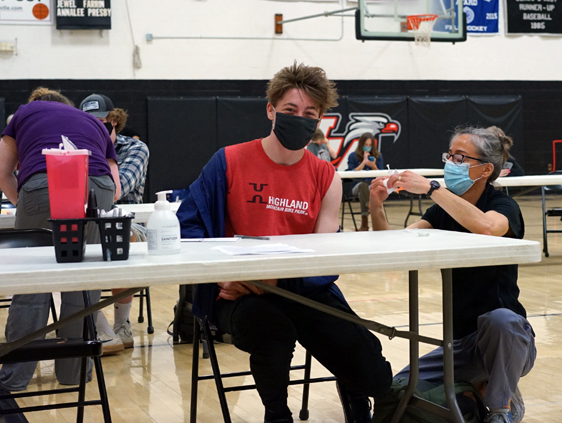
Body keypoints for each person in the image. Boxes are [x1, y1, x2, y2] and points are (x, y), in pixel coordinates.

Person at [176, 63, 392, 423]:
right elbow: (188, 228)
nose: (300, 119)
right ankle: (277, 415)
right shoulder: (228, 161)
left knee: (374, 373)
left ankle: (355, 391)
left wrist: (278, 278)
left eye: (310, 113)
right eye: (291, 111)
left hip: (301, 290)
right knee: (271, 330)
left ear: (321, 118)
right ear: (271, 110)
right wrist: (221, 276)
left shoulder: (326, 177)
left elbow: (324, 257)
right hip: (237, 293)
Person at [369, 127, 536, 423]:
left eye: (460, 157)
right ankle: (475, 392)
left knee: (502, 319)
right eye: (450, 156)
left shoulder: (503, 206)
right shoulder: (440, 212)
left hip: (506, 341)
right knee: (395, 391)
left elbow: (486, 227)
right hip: (460, 346)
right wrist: (376, 206)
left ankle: (502, 408)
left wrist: (432, 188)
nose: (450, 163)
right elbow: (394, 247)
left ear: (485, 169)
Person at [0, 88, 121, 391]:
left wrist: (25, 206)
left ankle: (15, 378)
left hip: (45, 183)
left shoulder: (25, 111)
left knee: (31, 284)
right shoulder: (94, 123)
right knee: (81, 283)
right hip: (97, 188)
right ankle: (73, 374)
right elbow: (114, 189)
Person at [80, 93, 150, 350]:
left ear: (112, 121)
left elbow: (114, 190)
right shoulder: (75, 150)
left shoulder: (134, 148)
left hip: (128, 222)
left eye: (99, 122)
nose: (93, 128)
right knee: (72, 241)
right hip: (87, 224)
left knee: (117, 235)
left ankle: (122, 324)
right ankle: (97, 322)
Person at [346, 133, 384, 231]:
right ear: (361, 144)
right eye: (365, 145)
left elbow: (382, 174)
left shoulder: (377, 156)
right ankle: (371, 207)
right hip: (357, 186)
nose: (367, 147)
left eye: (369, 145)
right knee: (363, 187)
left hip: (372, 186)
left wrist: (373, 166)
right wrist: (363, 163)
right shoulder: (353, 156)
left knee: (368, 189)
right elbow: (349, 173)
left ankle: (364, 224)